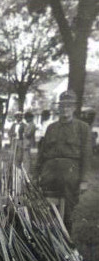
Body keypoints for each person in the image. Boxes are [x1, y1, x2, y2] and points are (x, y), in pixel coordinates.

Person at [36, 92, 93, 232]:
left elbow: (87, 155)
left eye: (68, 106)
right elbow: (42, 153)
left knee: (67, 208)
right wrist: (36, 173)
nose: (65, 109)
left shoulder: (83, 128)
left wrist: (84, 180)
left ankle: (65, 240)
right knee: (46, 206)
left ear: (74, 108)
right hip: (49, 172)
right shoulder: (51, 128)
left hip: (70, 172)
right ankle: (47, 237)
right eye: (62, 106)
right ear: (58, 108)